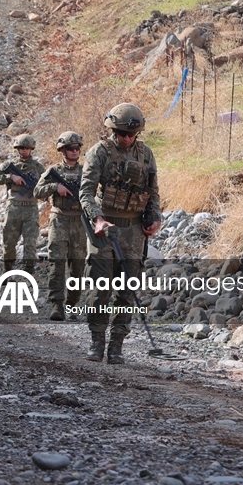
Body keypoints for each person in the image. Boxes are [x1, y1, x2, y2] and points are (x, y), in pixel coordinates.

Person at [79, 103, 162, 364]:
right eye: (121, 134)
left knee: (127, 290)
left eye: (130, 134)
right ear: (113, 131)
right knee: (100, 288)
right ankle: (97, 341)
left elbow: (153, 192)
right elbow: (86, 192)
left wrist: (155, 219)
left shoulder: (146, 154)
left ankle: (116, 346)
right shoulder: (99, 153)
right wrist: (98, 218)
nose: (126, 138)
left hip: (134, 231)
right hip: (105, 228)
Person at [34, 131, 87, 321]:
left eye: (77, 148)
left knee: (78, 266)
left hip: (80, 222)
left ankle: (72, 304)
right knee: (57, 262)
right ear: (62, 150)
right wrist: (55, 188)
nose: (75, 151)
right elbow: (37, 191)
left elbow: (95, 193)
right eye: (71, 148)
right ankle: (57, 304)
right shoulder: (53, 171)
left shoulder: (86, 171)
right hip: (59, 219)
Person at [0, 134, 46, 274]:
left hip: (31, 208)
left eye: (27, 148)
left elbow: (47, 184)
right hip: (14, 207)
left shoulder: (38, 167)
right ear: (17, 149)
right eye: (21, 148)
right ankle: (7, 271)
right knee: (9, 243)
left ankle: (28, 272)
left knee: (30, 244)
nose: (24, 150)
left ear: (31, 148)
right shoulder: (10, 166)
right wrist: (10, 177)